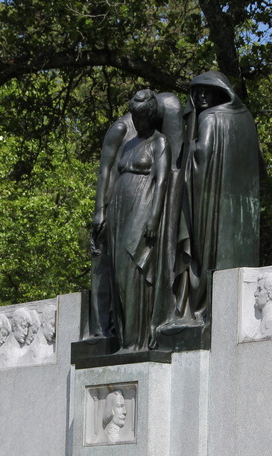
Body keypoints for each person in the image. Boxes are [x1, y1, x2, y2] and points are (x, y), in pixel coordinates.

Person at [172, 71, 260, 326]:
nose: (200, 96)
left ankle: (200, 306)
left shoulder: (209, 118)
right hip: (237, 208)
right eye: (196, 92)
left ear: (220, 91)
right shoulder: (246, 120)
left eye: (206, 91)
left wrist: (183, 160)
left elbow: (201, 155)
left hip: (208, 202)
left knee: (203, 253)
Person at [101, 90, 172, 351]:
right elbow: (109, 174)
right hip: (119, 208)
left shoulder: (160, 142)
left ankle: (136, 341)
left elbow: (162, 181)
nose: (138, 122)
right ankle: (124, 340)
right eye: (135, 117)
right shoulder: (129, 144)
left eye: (143, 117)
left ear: (151, 117)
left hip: (142, 204)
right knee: (118, 273)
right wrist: (105, 209)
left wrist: (153, 217)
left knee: (133, 271)